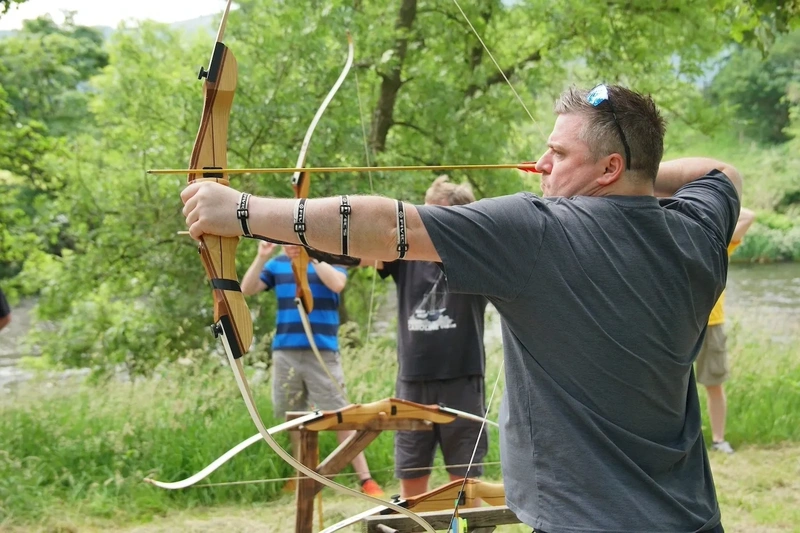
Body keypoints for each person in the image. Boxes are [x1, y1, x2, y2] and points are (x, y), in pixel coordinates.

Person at [182, 84, 742, 533]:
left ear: (609, 168)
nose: (542, 165)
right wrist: (636, 177)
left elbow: (385, 226)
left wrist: (241, 211)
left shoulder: (541, 231)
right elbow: (722, 173)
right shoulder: (697, 231)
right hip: (691, 517)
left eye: (560, 154)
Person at [366, 175, 490, 498]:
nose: (424, 221)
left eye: (435, 215)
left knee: (463, 490)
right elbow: (369, 244)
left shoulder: (476, 259)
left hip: (462, 381)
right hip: (413, 382)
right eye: (423, 212)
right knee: (412, 485)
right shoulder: (405, 255)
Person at [240, 241, 384, 497]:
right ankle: (301, 475)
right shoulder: (277, 265)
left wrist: (313, 257)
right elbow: (247, 289)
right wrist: (262, 256)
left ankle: (365, 479)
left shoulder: (331, 261)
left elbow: (337, 284)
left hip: (323, 351)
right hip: (286, 351)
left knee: (341, 416)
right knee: (294, 418)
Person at [700, 207, 755, 454]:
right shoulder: (671, 235)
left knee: (714, 384)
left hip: (710, 324)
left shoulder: (717, 244)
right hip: (672, 323)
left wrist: (696, 188)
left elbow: (748, 216)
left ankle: (719, 440)